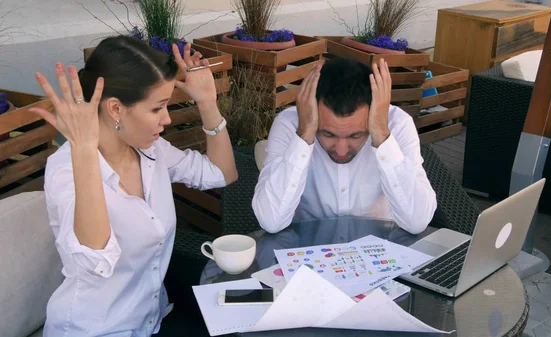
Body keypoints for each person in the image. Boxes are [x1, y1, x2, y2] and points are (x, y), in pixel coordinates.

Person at [30, 35, 237, 336]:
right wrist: (85, 151)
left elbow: (222, 174)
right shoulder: (67, 169)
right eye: (157, 108)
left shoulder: (151, 150)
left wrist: (207, 101)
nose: (166, 119)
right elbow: (95, 261)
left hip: (152, 322)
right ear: (115, 109)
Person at [252, 56, 437, 234]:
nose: (341, 150)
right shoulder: (291, 124)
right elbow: (271, 221)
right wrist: (305, 132)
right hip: (309, 253)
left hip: (381, 249)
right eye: (328, 134)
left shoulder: (397, 124)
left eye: (356, 135)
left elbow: (417, 222)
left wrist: (381, 133)